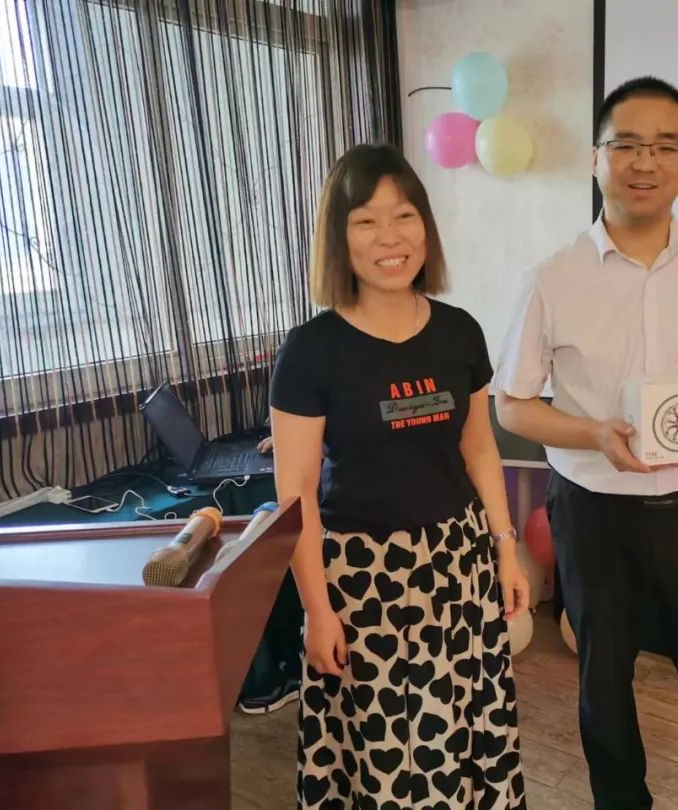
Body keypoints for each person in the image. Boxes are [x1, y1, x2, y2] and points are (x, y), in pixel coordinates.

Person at [495, 76, 678, 810]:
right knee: (603, 686)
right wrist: (592, 433)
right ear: (596, 157)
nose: (644, 161)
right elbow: (513, 406)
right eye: (625, 144)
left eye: (664, 146)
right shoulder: (551, 278)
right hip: (595, 513)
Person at [269, 143, 530, 809]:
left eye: (405, 216)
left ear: (426, 228)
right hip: (363, 581)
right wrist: (316, 611)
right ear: (340, 238)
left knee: (465, 730)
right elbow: (295, 495)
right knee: (387, 753)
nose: (390, 237)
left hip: (459, 565)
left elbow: (479, 450)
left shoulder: (460, 332)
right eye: (366, 221)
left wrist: (505, 548)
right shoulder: (310, 351)